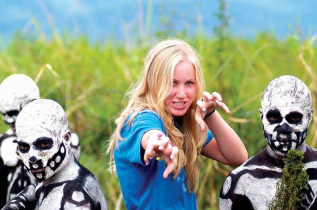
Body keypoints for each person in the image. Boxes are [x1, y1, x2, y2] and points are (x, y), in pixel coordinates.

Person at [107, 39, 248, 209]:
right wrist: (159, 144)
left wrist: (209, 114)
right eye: (172, 83)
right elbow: (149, 134)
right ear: (154, 82)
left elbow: (237, 157)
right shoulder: (139, 119)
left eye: (189, 83)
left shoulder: (183, 123)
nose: (181, 94)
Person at [219, 75, 317, 209]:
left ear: (308, 117)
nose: (284, 128)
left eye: (293, 117)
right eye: (274, 117)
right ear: (262, 117)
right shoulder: (241, 183)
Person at [2, 99, 107, 209]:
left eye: (43, 144)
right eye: (24, 147)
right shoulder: (60, 179)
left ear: (66, 138)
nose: (33, 157)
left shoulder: (73, 200)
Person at [0, 74, 81, 206]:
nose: (7, 120)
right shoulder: (4, 143)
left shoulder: (65, 139)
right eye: (3, 114)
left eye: (12, 113)